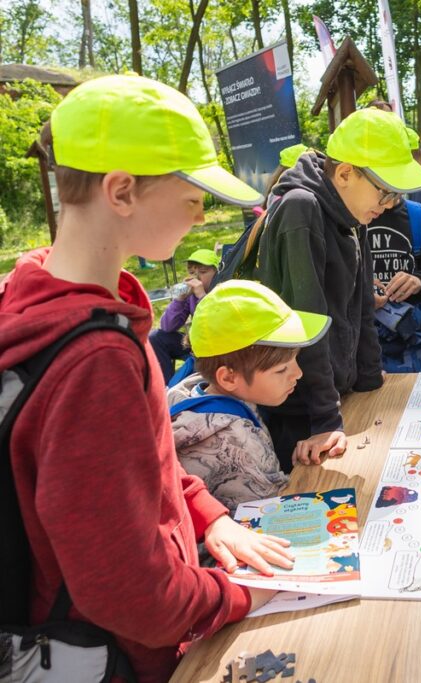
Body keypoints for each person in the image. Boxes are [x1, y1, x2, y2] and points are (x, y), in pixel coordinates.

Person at [0, 74, 292, 683]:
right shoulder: (92, 359)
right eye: (191, 195)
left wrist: (209, 516)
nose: (203, 213)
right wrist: (237, 596)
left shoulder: (52, 297)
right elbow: (124, 590)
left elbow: (141, 466)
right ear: (123, 192)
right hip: (119, 655)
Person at [253, 108, 421, 471]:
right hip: (303, 407)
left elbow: (362, 307)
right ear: (346, 173)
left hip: (339, 395)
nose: (388, 206)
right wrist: (324, 420)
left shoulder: (353, 215)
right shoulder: (300, 209)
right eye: (384, 192)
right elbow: (308, 319)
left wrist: (369, 378)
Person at [168, 280, 331, 512]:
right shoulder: (234, 446)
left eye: (296, 360)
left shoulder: (192, 389)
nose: (298, 373)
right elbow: (269, 514)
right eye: (281, 370)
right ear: (228, 378)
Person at [365, 189, 421, 372]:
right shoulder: (351, 218)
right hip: (364, 336)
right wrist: (360, 288)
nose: (389, 202)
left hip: (411, 336)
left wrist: (419, 281)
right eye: (382, 190)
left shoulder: (417, 216)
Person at [150, 247, 219, 383]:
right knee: (156, 337)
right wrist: (180, 299)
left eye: (203, 272)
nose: (197, 277)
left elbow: (214, 325)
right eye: (192, 272)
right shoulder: (191, 294)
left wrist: (202, 297)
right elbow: (167, 326)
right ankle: (166, 385)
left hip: (215, 348)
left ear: (216, 273)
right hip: (194, 345)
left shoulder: (220, 291)